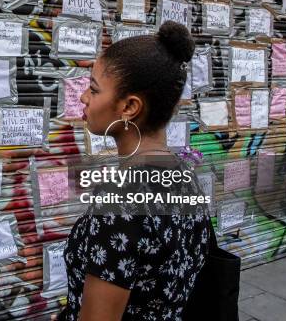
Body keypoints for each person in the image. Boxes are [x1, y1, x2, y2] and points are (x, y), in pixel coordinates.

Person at [59, 21, 211, 320]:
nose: (83, 98)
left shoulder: (120, 200)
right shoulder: (186, 177)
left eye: (93, 89)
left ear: (129, 107)